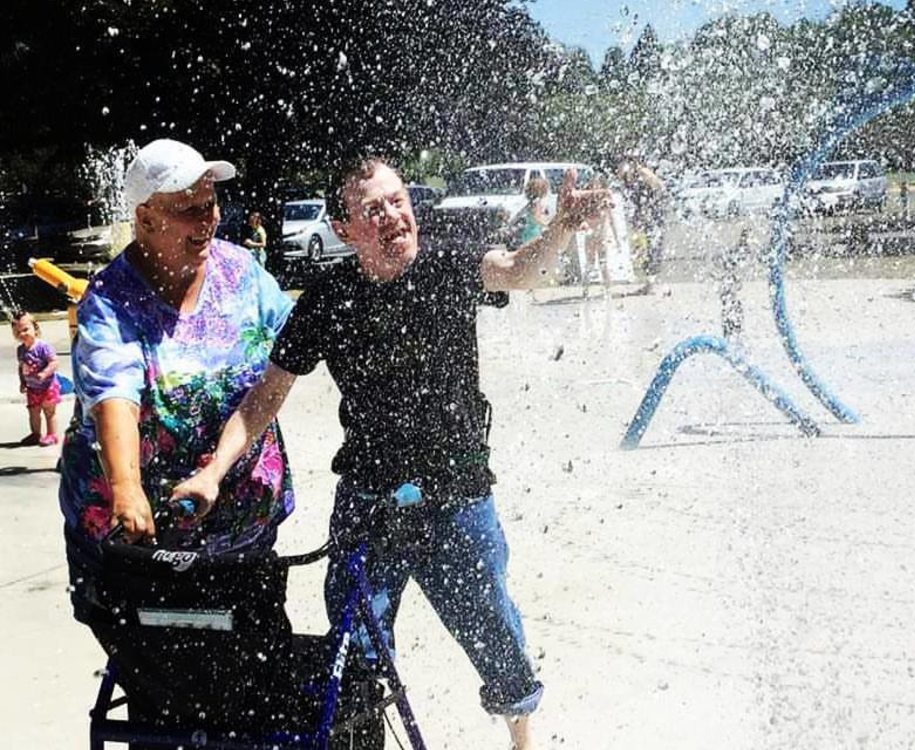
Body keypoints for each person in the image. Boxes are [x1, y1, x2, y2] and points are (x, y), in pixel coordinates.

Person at [173, 157, 612, 750]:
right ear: (344, 227)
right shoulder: (328, 301)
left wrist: (560, 227)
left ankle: (522, 743)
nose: (393, 217)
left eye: (398, 201)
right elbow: (264, 398)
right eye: (373, 209)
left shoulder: (449, 263)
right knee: (354, 644)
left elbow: (517, 271)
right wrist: (213, 471)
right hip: (369, 505)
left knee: (494, 632)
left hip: (458, 498)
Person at [58, 138, 296, 729]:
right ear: (144, 219)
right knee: (166, 697)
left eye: (211, 203)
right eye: (189, 209)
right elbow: (112, 393)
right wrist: (128, 487)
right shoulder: (109, 301)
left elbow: (297, 350)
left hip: (240, 529)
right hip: (138, 544)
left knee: (248, 681)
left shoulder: (243, 274)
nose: (208, 219)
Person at [616, 155, 668, 294]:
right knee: (642, 250)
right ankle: (649, 283)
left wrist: (649, 209)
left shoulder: (642, 172)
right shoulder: (627, 178)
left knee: (653, 247)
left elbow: (660, 187)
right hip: (643, 217)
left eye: (620, 166)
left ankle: (653, 285)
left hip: (652, 215)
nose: (618, 171)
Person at [11, 310, 61, 445]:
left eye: (25, 329)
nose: (22, 334)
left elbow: (54, 362)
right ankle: (35, 434)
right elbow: (21, 367)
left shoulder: (43, 347)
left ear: (35, 328)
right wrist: (22, 382)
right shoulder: (20, 350)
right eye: (17, 332)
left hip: (48, 386)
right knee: (33, 412)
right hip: (32, 388)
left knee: (49, 412)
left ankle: (52, 435)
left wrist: (45, 373)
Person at [517, 177, 549, 245]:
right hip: (535, 232)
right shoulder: (537, 203)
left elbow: (519, 214)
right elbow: (536, 218)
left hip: (527, 231)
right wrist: (546, 225)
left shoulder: (531, 203)